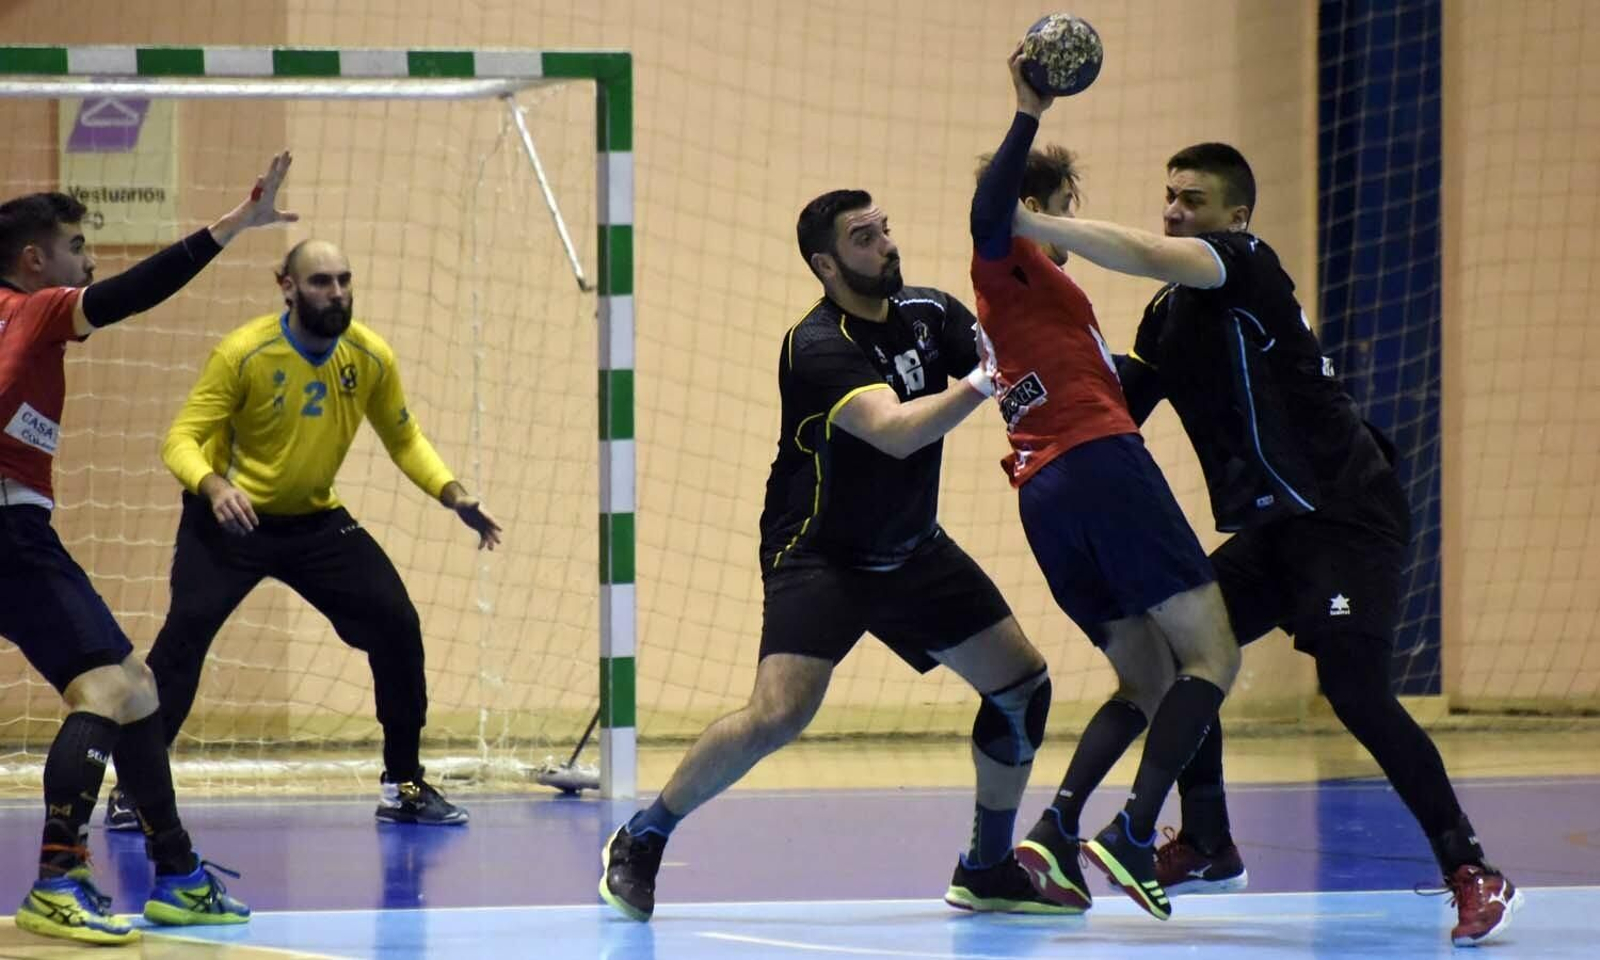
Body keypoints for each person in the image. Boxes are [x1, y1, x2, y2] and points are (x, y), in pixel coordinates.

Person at [1012, 141, 1522, 946]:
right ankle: (1209, 841)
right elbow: (1112, 407)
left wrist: (1028, 218)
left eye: (1194, 199)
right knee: (1188, 655)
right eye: (1169, 195)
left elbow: (1146, 253)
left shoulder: (1242, 262)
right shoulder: (1167, 316)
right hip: (1273, 530)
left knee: (1354, 690)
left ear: (1235, 215)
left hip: (1344, 512)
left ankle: (1471, 867)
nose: (1175, 209)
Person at [599, 189, 1066, 923]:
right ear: (826, 264)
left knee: (1022, 688)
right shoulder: (815, 346)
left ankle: (987, 867)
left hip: (912, 550)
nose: (885, 244)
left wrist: (1038, 270)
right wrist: (983, 381)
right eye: (863, 237)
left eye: (885, 228)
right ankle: (642, 837)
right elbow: (897, 429)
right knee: (778, 714)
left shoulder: (931, 314)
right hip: (820, 555)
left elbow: (1010, 344)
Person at [101, 238, 502, 831]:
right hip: (230, 521)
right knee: (183, 640)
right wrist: (214, 487)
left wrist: (453, 493)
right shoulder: (245, 353)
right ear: (286, 285)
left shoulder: (369, 356)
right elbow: (180, 440)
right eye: (320, 281)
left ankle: (404, 783)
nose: (336, 292)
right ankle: (136, 790)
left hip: (316, 522)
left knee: (396, 623)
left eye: (344, 279)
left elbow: (403, 437)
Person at [970, 50, 1239, 923]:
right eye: (1060, 217)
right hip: (1099, 466)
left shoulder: (1043, 306)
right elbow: (987, 214)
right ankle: (1132, 833)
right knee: (1215, 658)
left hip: (1048, 496)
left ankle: (1052, 833)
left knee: (1153, 681)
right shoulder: (1010, 255)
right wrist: (1026, 112)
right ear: (1038, 212)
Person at [1, 152, 293, 944]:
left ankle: (177, 872)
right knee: (106, 691)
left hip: (17, 528)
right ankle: (59, 878)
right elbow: (130, 293)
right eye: (74, 244)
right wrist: (233, 225)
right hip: (8, 528)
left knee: (137, 686)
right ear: (36, 260)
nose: (88, 259)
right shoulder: (32, 309)